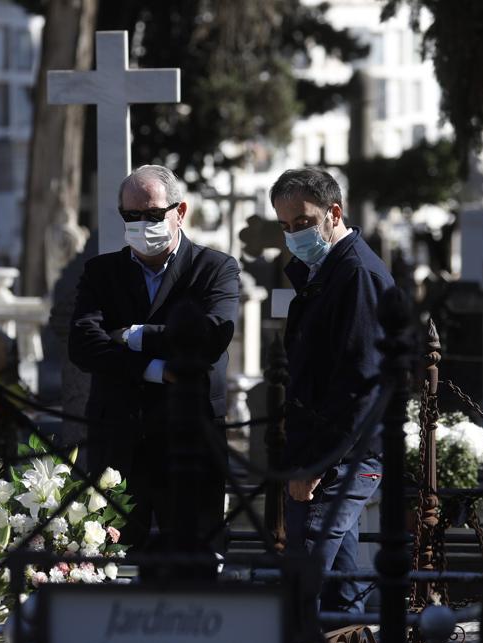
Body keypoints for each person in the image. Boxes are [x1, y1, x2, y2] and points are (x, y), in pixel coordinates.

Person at [69, 165, 240, 554]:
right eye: (131, 216)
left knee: (198, 559)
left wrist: (133, 335)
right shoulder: (102, 272)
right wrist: (155, 369)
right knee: (111, 558)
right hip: (119, 440)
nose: (141, 224)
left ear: (179, 213)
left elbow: (211, 336)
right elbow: (82, 344)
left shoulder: (215, 268)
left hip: (190, 441)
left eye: (151, 214)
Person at [270, 168, 393, 615]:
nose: (293, 235)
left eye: (302, 223)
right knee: (340, 588)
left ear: (333, 213)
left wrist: (315, 463)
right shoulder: (327, 269)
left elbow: (359, 380)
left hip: (341, 454)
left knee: (308, 569)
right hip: (329, 449)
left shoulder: (356, 273)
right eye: (285, 227)